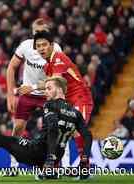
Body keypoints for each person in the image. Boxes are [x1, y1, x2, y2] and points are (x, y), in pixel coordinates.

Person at [0, 76, 93, 180]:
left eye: (49, 88)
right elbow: (87, 135)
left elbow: (53, 129)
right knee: (33, 143)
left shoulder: (50, 105)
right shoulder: (76, 113)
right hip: (56, 155)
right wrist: (85, 157)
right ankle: (49, 172)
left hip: (39, 151)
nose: (46, 92)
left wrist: (49, 158)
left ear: (60, 90)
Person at [6, 18, 62, 170]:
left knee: (55, 128)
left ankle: (58, 165)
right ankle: (13, 165)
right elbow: (11, 67)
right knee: (17, 127)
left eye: (42, 32)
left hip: (47, 94)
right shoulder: (25, 46)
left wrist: (36, 87)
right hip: (28, 94)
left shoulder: (55, 49)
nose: (38, 35)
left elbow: (57, 78)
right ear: (32, 33)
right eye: (36, 32)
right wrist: (10, 95)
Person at [34, 30, 94, 167]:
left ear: (52, 45)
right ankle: (53, 168)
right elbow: (51, 91)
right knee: (58, 131)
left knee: (77, 131)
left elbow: (55, 82)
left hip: (80, 98)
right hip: (66, 102)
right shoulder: (46, 66)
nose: (41, 48)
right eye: (38, 46)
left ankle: (84, 167)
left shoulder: (59, 57)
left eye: (44, 45)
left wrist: (31, 87)